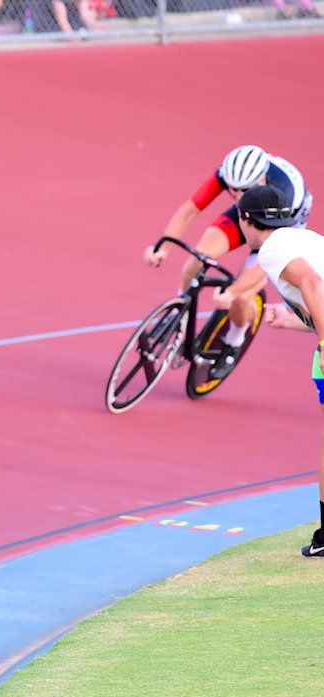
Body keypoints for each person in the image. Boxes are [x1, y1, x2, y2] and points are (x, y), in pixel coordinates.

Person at [144, 145, 313, 379]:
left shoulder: (285, 194)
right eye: (232, 190)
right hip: (245, 215)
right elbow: (190, 209)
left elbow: (268, 263)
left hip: (276, 226)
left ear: (261, 179)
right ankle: (178, 315)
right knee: (198, 257)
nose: (235, 195)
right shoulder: (229, 173)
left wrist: (234, 291)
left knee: (241, 295)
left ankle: (234, 341)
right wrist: (163, 247)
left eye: (243, 190)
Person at [225, 186, 324, 558]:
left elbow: (313, 284)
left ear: (247, 220)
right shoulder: (305, 237)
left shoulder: (270, 249)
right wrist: (293, 321)